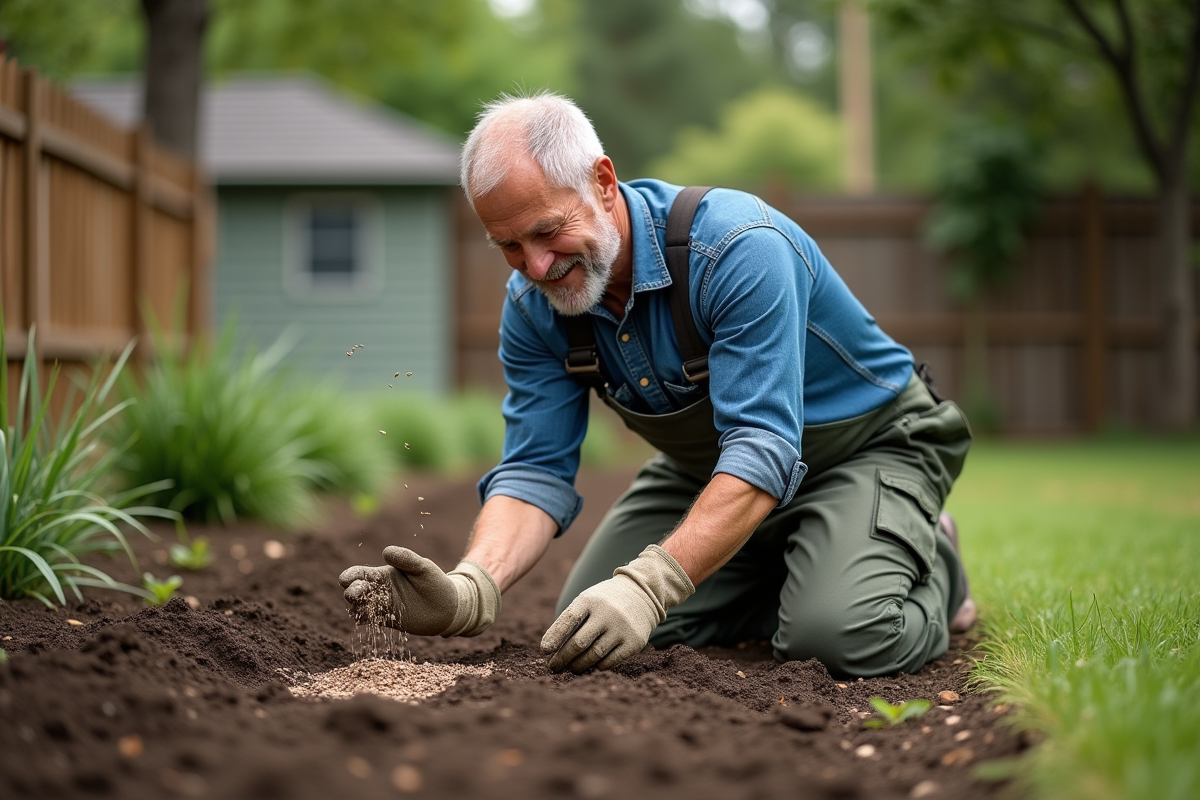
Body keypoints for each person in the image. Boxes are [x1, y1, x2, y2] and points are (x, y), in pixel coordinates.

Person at [339, 92, 976, 678]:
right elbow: (535, 468)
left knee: (837, 638)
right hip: (713, 473)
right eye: (508, 245)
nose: (535, 265)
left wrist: (651, 586)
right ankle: (811, 568)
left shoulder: (735, 249)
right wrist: (471, 589)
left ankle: (933, 562)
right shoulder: (535, 307)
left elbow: (763, 447)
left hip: (867, 449)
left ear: (604, 182)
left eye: (547, 230)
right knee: (587, 629)